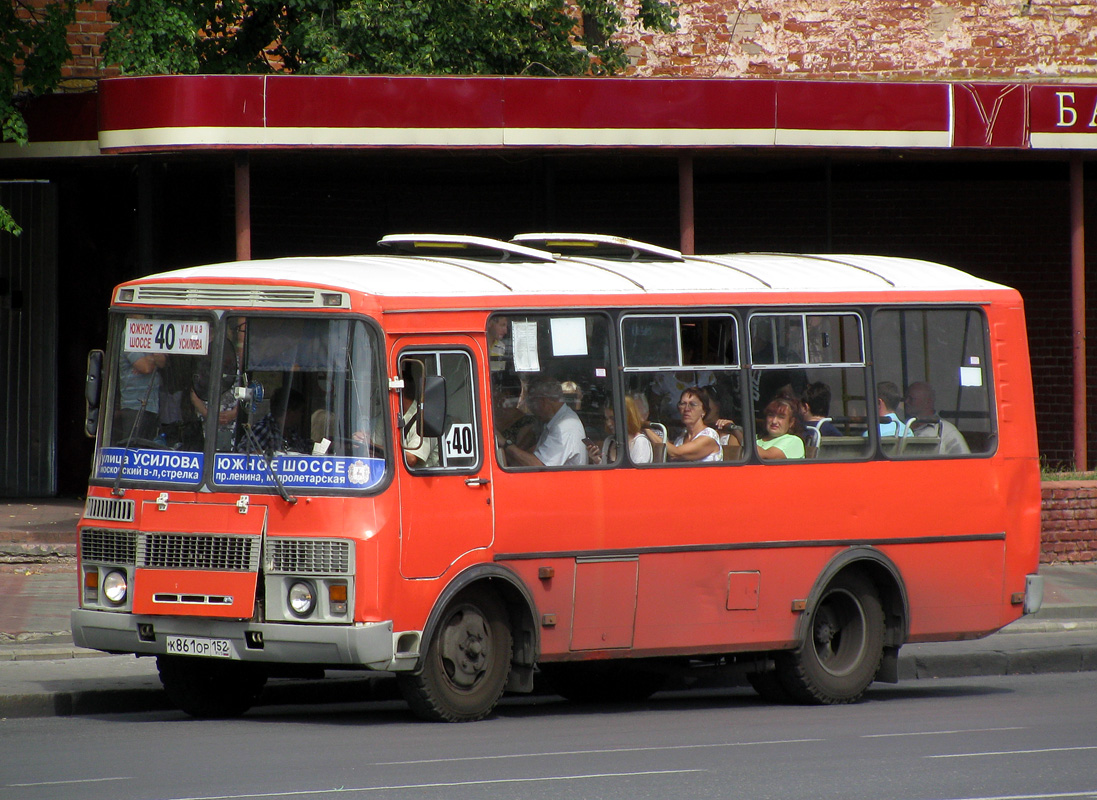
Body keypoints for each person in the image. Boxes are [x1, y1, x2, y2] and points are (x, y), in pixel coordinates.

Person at [499, 378, 588, 467]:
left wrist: (505, 443)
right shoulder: (555, 422)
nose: (531, 409)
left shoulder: (564, 427)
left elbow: (539, 466)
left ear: (543, 402)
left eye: (531, 403)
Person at [646, 386, 721, 462]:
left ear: (704, 411)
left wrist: (645, 428)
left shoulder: (709, 437)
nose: (686, 409)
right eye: (683, 404)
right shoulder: (682, 437)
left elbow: (675, 453)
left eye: (692, 404)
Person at [904, 381, 970, 455]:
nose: (906, 401)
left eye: (911, 399)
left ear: (927, 402)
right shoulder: (902, 427)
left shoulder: (947, 431)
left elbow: (964, 462)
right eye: (906, 398)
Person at [116, 349, 166, 442]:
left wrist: (149, 359)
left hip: (152, 406)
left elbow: (162, 361)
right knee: (133, 446)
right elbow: (146, 367)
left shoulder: (153, 339)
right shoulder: (131, 336)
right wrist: (153, 360)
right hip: (134, 407)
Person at [241, 386, 309, 454]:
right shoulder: (263, 429)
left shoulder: (293, 433)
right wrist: (271, 456)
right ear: (288, 412)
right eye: (300, 411)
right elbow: (243, 451)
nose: (302, 415)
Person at [587, 396, 653, 465]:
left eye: (612, 418)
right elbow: (605, 471)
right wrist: (597, 460)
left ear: (627, 417)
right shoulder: (609, 442)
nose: (608, 423)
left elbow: (637, 474)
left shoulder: (639, 442)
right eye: (607, 419)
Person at [400, 371, 439, 468]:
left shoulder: (424, 420)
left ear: (401, 394)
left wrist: (382, 449)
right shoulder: (388, 417)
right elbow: (377, 445)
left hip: (421, 480)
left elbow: (411, 459)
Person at [754, 395, 806, 460]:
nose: (774, 421)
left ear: (791, 422)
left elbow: (766, 456)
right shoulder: (756, 438)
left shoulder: (794, 441)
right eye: (771, 415)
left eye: (781, 417)